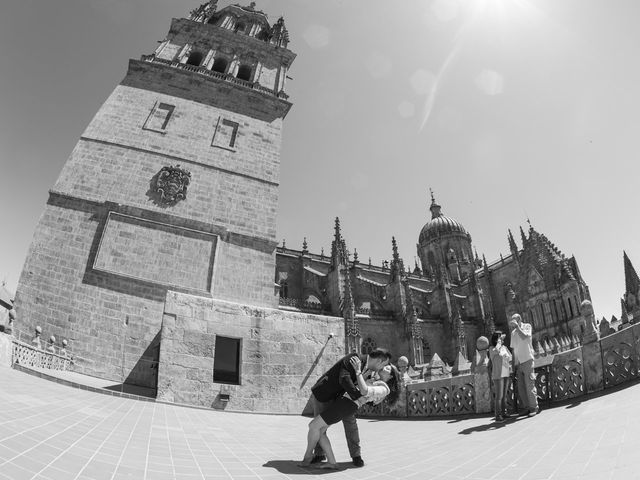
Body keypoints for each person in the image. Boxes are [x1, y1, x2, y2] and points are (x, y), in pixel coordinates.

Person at [300, 356, 401, 469]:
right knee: (319, 431)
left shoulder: (384, 388)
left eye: (387, 368)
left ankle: (308, 456)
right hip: (344, 402)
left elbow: (365, 391)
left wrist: (358, 372)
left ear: (390, 376)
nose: (384, 367)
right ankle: (331, 461)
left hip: (346, 405)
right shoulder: (376, 379)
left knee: (313, 426)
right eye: (384, 365)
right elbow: (361, 389)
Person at [509, 313, 539, 416]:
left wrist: (517, 327)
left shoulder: (527, 326)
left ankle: (534, 407)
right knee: (521, 387)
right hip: (519, 363)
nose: (513, 322)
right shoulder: (513, 333)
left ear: (519, 319)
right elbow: (513, 350)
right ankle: (526, 407)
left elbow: (525, 337)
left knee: (530, 384)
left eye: (515, 320)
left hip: (528, 359)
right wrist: (513, 366)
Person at [489, 331, 512, 422]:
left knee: (504, 395)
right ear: (496, 339)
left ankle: (504, 412)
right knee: (499, 396)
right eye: (499, 338)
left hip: (506, 372)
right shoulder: (492, 349)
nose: (502, 340)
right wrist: (499, 342)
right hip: (498, 374)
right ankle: (498, 415)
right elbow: (497, 351)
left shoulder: (504, 347)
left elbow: (510, 358)